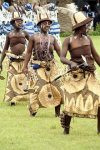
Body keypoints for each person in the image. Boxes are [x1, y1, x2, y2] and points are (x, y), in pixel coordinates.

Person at [60, 11, 100, 134]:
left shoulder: (88, 39)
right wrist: (71, 63)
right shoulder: (69, 40)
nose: (87, 27)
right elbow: (62, 57)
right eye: (85, 25)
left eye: (87, 24)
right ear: (78, 27)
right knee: (71, 102)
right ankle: (66, 129)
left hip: (90, 75)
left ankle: (99, 130)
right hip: (75, 75)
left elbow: (96, 56)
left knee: (99, 100)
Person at [23, 14, 63, 117]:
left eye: (49, 23)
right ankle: (33, 110)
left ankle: (57, 113)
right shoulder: (34, 37)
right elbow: (28, 53)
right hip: (38, 66)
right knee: (38, 88)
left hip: (52, 66)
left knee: (57, 87)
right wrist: (25, 66)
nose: (47, 24)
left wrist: (69, 61)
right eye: (45, 23)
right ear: (40, 25)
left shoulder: (52, 38)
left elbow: (60, 53)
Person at [0, 11, 29, 105]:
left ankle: (25, 97)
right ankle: (12, 99)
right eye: (18, 21)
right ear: (13, 23)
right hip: (13, 60)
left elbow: (32, 43)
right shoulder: (9, 34)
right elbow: (5, 49)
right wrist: (0, 62)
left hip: (23, 60)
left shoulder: (24, 33)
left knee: (24, 78)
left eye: (21, 21)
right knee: (12, 79)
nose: (20, 23)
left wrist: (30, 54)